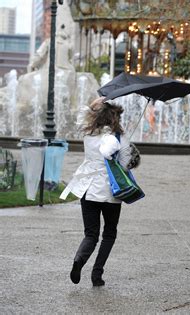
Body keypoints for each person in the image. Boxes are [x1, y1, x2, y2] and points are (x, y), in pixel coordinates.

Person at [60, 96, 133, 286]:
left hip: (88, 190)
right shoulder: (117, 139)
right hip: (110, 193)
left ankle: (79, 260)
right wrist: (128, 150)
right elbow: (124, 165)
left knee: (90, 234)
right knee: (109, 233)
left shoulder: (89, 134)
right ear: (115, 119)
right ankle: (97, 274)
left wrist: (92, 105)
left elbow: (80, 118)